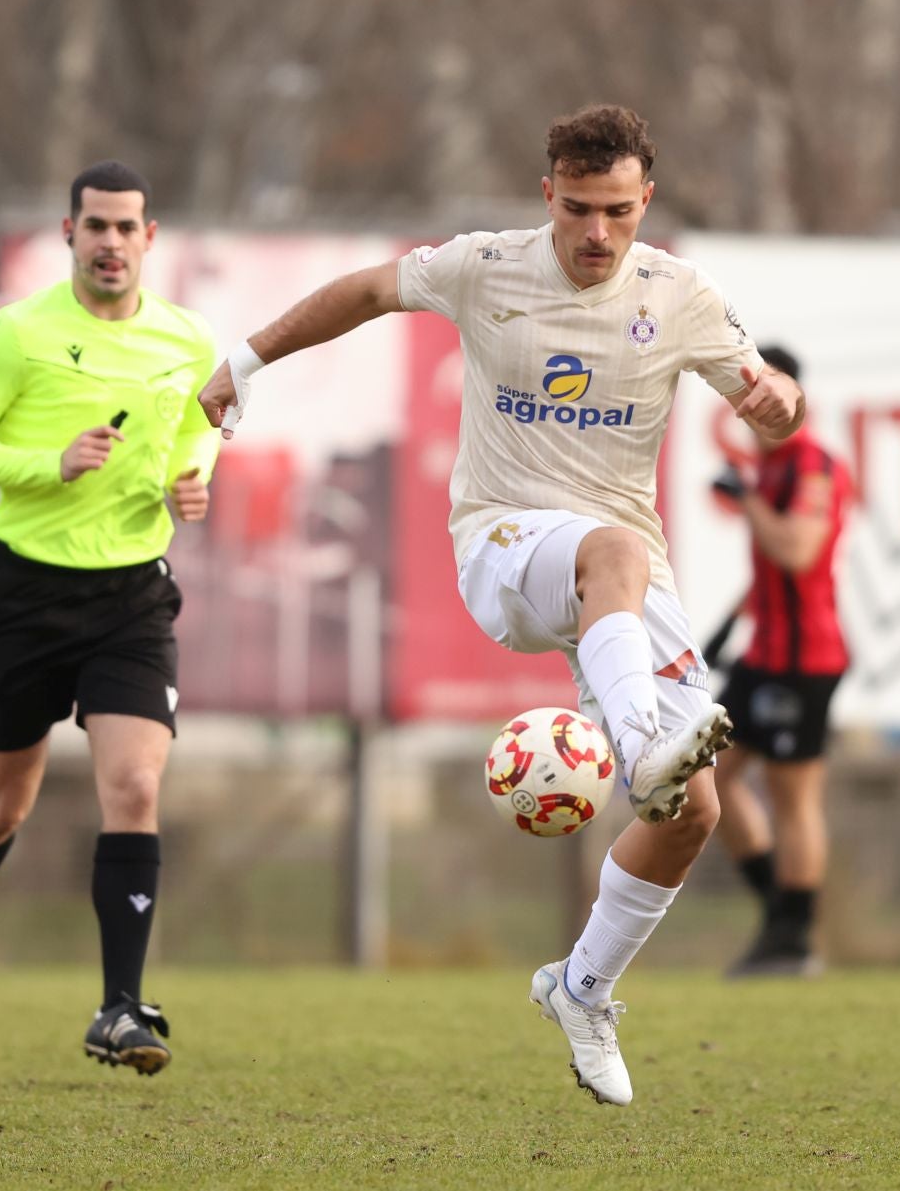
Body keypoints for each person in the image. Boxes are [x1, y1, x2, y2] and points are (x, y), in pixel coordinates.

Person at [198, 104, 804, 1106]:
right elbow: (363, 290)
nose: (596, 234)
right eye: (577, 209)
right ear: (547, 194)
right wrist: (247, 360)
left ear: (646, 199)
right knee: (617, 575)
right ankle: (640, 737)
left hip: (624, 572)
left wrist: (779, 404)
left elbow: (765, 397)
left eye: (617, 211)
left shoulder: (681, 296)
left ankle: (582, 988)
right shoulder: (487, 267)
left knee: (693, 809)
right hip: (506, 544)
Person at [0, 160, 219, 1076]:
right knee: (2, 804)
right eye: (97, 227)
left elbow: (202, 423)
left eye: (129, 228)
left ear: (151, 237)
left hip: (130, 596)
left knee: (132, 787)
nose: (113, 243)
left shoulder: (188, 340)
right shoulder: (18, 333)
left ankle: (119, 1007)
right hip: (24, 593)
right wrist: (54, 461)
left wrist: (194, 474)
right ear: (69, 232)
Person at [706, 344, 852, 978]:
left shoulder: (811, 465)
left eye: (764, 391)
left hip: (804, 660)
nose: (752, 404)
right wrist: (725, 629)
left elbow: (796, 550)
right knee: (703, 777)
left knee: (793, 797)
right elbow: (770, 570)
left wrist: (749, 500)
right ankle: (779, 912)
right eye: (746, 393)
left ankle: (793, 937)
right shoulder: (766, 467)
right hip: (762, 655)